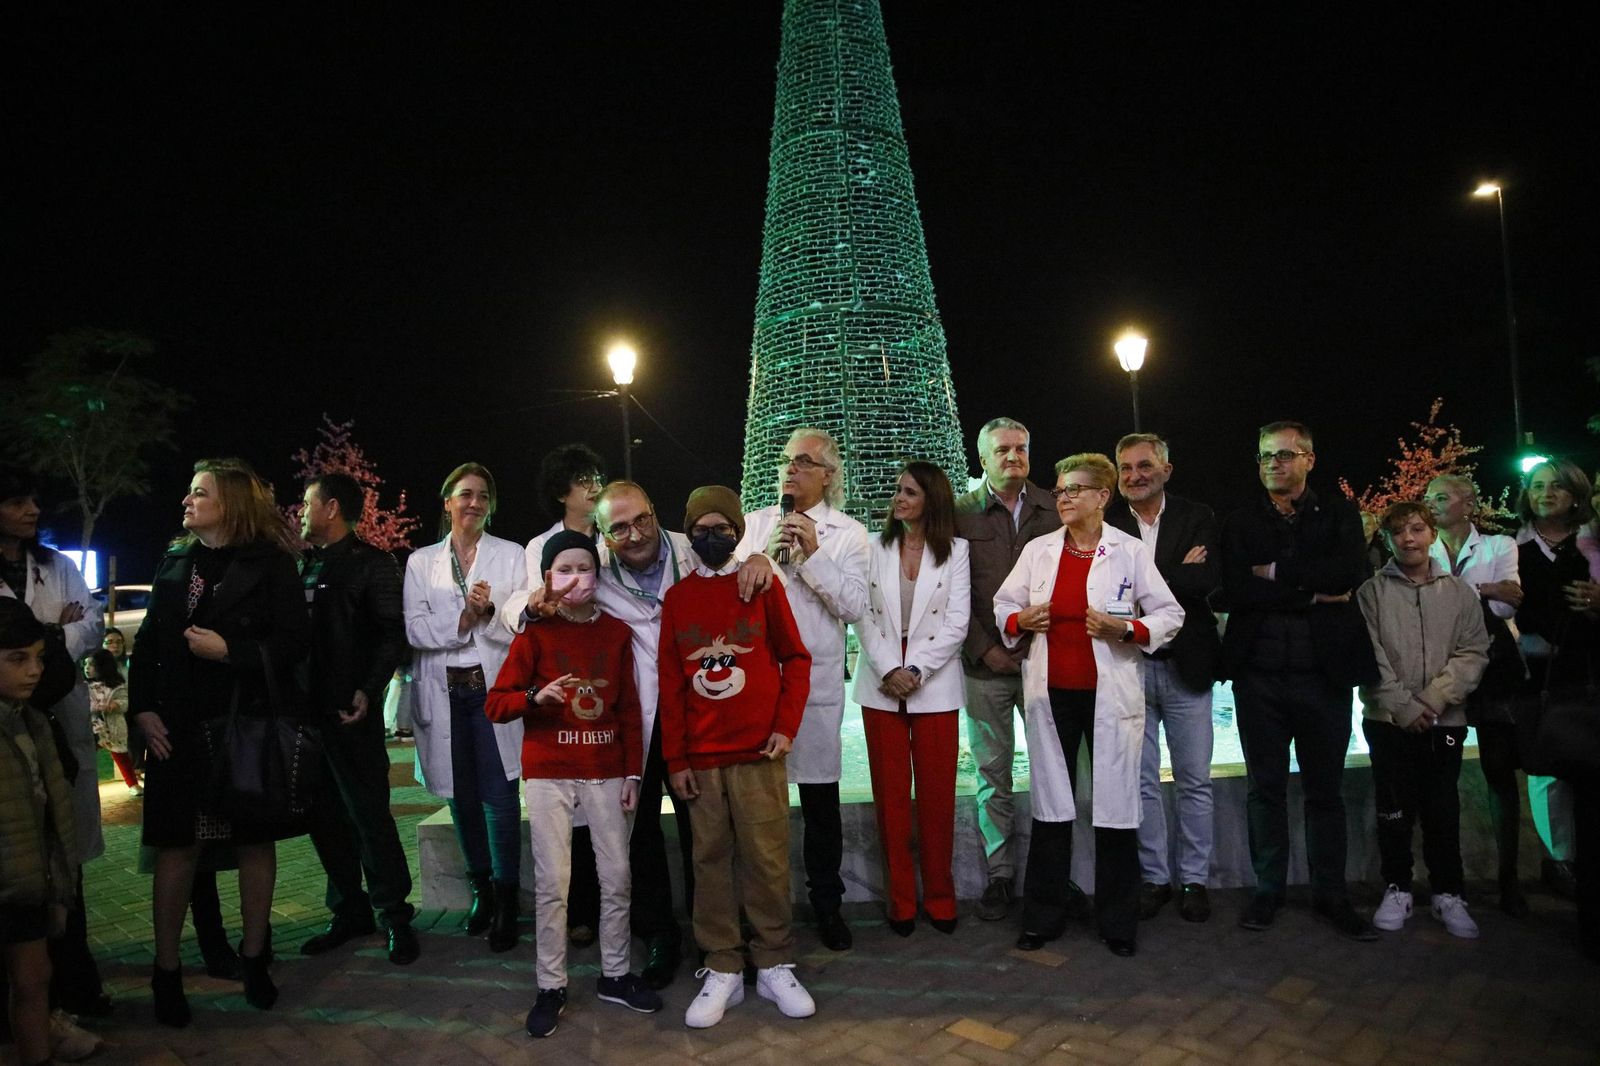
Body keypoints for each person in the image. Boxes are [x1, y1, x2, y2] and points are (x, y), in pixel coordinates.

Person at [129, 458, 311, 1024]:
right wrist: (141, 711)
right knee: (177, 845)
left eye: (199, 492)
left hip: (243, 724)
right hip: (176, 727)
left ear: (230, 502)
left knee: (256, 841)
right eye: (189, 492)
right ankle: (167, 973)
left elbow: (294, 644)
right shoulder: (176, 559)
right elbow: (149, 647)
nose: (186, 501)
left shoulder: (272, 565)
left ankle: (255, 960)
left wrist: (231, 651)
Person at [519, 479, 712, 990]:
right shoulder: (598, 571)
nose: (634, 534)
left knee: (704, 830)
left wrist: (758, 561)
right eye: (618, 527)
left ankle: (713, 937)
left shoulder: (690, 550)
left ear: (654, 511)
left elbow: (741, 558)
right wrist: (531, 606)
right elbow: (529, 598)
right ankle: (659, 937)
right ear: (603, 535)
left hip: (698, 714)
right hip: (641, 721)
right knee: (641, 835)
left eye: (640, 519)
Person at [995, 453, 1182, 958]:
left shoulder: (1129, 552)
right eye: (1059, 491)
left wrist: (1127, 629)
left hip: (1110, 693)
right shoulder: (1038, 550)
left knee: (1116, 806)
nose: (1064, 498)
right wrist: (1021, 620)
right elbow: (1003, 604)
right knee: (1052, 807)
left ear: (1103, 496)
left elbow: (1170, 613)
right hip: (1051, 692)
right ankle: (1042, 919)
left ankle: (1118, 922)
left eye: (1075, 489)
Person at [487, 530, 660, 1037]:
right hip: (549, 773)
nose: (575, 578)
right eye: (564, 569)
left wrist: (633, 771)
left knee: (617, 877)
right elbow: (497, 703)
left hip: (607, 769)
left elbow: (628, 707)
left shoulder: (615, 633)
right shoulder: (533, 634)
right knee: (552, 883)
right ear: (547, 578)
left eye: (584, 568)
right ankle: (550, 984)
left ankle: (615, 973)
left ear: (598, 575)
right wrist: (534, 697)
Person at [659, 486, 816, 1028]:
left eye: (721, 528)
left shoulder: (763, 584)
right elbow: (671, 684)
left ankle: (773, 959)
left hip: (758, 753)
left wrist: (785, 726)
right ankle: (722, 963)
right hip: (701, 759)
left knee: (767, 857)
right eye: (700, 528)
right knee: (709, 861)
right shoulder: (678, 600)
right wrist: (675, 759)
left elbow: (796, 658)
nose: (711, 537)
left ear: (737, 531)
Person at [1216, 422, 1379, 940]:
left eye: (1284, 455)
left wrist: (1275, 573)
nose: (1273, 465)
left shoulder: (1337, 513)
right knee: (1265, 790)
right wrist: (1309, 591)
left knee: (1324, 790)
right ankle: (1269, 891)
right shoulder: (1240, 519)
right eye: (1265, 456)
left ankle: (1330, 893)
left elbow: (1348, 572)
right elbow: (1231, 588)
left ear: (1309, 458)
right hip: (1258, 678)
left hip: (1323, 676)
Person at [735, 428, 869, 950]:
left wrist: (813, 556)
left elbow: (854, 607)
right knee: (756, 803)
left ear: (828, 475)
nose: (790, 469)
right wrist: (756, 560)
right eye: (787, 461)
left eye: (804, 462)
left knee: (819, 801)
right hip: (758, 682)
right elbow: (732, 589)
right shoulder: (754, 525)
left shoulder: (849, 534)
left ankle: (827, 903)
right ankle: (762, 907)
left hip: (813, 683)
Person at [402, 463, 527, 951]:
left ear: (490, 506)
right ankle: (480, 891)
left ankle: (506, 897)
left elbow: (521, 623)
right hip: (445, 693)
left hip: (490, 689)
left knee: (499, 798)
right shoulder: (420, 562)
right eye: (465, 494)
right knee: (460, 797)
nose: (473, 503)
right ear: (448, 502)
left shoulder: (511, 555)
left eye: (482, 496)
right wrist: (463, 617)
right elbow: (414, 628)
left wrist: (490, 612)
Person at [0, 466, 109, 1018]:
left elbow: (90, 623)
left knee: (67, 852)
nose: (32, 510)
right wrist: (51, 634)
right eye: (18, 500)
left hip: (60, 720)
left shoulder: (57, 565)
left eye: (35, 500)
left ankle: (75, 983)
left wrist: (37, 641)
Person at [297, 473, 417, 965]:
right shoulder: (304, 565)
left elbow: (393, 636)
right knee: (324, 818)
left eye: (307, 503)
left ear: (330, 508)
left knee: (369, 817)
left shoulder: (373, 564)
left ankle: (394, 915)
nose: (301, 511)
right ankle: (349, 910)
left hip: (351, 715)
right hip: (308, 718)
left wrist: (368, 691)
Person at [1357, 501, 1489, 939]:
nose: (1408, 539)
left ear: (1432, 533)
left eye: (1416, 529)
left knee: (1441, 808)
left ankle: (1448, 892)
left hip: (1444, 723)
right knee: (1393, 808)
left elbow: (1473, 652)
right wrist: (1404, 707)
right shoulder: (1370, 593)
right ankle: (1397, 887)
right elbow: (1370, 658)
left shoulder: (1460, 593)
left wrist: (1432, 700)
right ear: (1388, 539)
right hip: (1387, 721)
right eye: (1398, 532)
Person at [1106, 433, 1222, 923]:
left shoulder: (1200, 517)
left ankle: (1195, 879)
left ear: (1166, 469)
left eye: (1145, 465)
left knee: (1195, 780)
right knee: (1141, 782)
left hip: (1187, 666)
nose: (1135, 475)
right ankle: (1155, 879)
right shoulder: (1108, 522)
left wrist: (1145, 586)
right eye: (1126, 468)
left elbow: (1207, 581)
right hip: (1129, 667)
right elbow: (1108, 595)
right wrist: (1175, 576)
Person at [852, 462, 970, 935]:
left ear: (932, 501)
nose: (898, 499)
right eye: (898, 491)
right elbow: (861, 612)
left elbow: (957, 621)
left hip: (935, 684)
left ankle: (940, 898)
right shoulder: (874, 548)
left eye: (910, 492)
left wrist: (917, 669)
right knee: (891, 801)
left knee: (939, 800)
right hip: (881, 683)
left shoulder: (955, 552)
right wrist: (889, 668)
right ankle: (901, 902)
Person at [954, 417, 1062, 921]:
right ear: (984, 458)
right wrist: (985, 648)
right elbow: (951, 593)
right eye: (1002, 450)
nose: (1013, 457)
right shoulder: (960, 514)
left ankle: (1053, 877)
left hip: (1044, 664)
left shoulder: (1055, 507)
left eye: (1021, 448)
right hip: (985, 669)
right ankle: (1000, 876)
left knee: (1052, 772)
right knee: (992, 775)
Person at [502, 443, 607, 948]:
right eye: (584, 479)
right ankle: (578, 911)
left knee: (607, 801)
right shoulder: (539, 545)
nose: (595, 487)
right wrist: (535, 606)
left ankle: (615, 909)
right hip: (564, 676)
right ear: (561, 491)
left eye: (596, 477)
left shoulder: (614, 536)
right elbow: (528, 604)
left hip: (609, 667)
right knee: (571, 804)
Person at [1425, 474, 1527, 915]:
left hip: (1493, 669)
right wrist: (1484, 590)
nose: (1432, 505)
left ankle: (1509, 879)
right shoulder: (1420, 545)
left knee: (1499, 772)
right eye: (1427, 498)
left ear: (1468, 503)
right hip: (1437, 669)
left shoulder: (1499, 546)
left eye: (1442, 497)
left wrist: (1453, 591)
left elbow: (1509, 603)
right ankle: (1448, 880)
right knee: (1439, 777)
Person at [1514, 458, 1600, 957]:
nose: (1545, 493)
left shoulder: (1591, 545)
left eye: (1555, 486)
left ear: (1574, 494)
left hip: (1589, 677)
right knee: (1547, 776)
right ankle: (1562, 865)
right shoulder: (1514, 548)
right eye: (1536, 486)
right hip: (1541, 682)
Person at [0, 599, 79, 1066]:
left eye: (38, 658)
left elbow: (54, 814)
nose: (33, 672)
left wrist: (58, 883)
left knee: (34, 981)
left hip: (28, 884)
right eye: (17, 659)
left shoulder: (33, 721)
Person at [86, 650, 139, 794]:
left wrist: (114, 705)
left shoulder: (117, 685)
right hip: (93, 726)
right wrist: (93, 707)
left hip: (113, 726)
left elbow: (125, 702)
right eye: (86, 664)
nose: (87, 668)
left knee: (120, 755)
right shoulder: (85, 687)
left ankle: (132, 783)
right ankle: (87, 785)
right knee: (87, 754)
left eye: (91, 664)